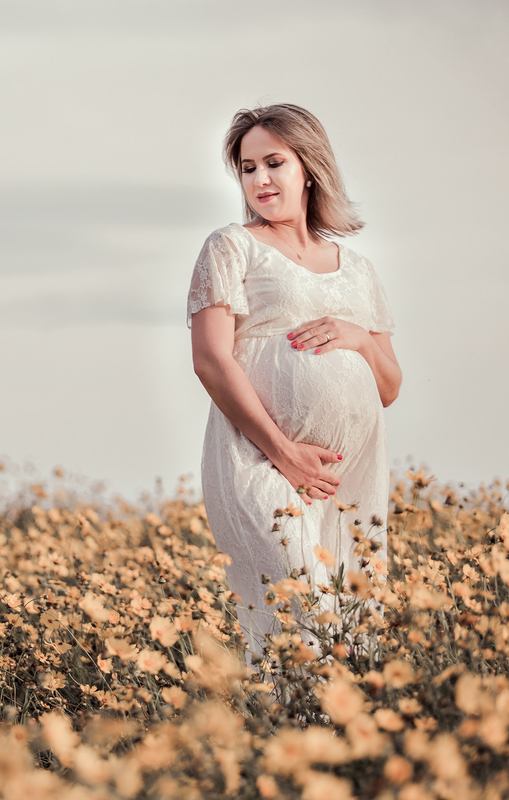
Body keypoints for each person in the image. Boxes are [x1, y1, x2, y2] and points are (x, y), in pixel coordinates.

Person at [187, 104, 401, 661]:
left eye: (274, 163)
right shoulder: (231, 246)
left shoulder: (357, 268)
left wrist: (360, 338)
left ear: (308, 167)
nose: (259, 179)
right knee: (302, 614)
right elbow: (210, 360)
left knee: (353, 627)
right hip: (259, 459)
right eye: (247, 168)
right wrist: (284, 453)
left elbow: (389, 387)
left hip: (349, 475)